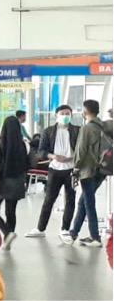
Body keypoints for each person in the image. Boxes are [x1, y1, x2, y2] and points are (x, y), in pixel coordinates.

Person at [26, 104, 80, 239]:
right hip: (54, 169)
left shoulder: (77, 130)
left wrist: (73, 157)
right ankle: (40, 228)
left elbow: (81, 149)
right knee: (49, 199)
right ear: (56, 115)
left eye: (68, 114)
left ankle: (65, 228)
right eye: (62, 114)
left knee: (70, 200)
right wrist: (54, 156)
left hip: (71, 170)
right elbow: (41, 151)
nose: (65, 116)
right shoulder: (48, 131)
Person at [64, 99, 107, 247]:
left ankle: (95, 237)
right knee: (83, 202)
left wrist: (76, 168)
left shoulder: (87, 128)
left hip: (88, 171)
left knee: (89, 203)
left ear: (85, 111)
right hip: (101, 170)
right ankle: (73, 234)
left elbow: (81, 151)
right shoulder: (104, 127)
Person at [0, 116, 29, 251]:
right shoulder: (25, 144)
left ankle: (7, 233)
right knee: (11, 212)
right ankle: (7, 239)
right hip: (17, 183)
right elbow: (31, 162)